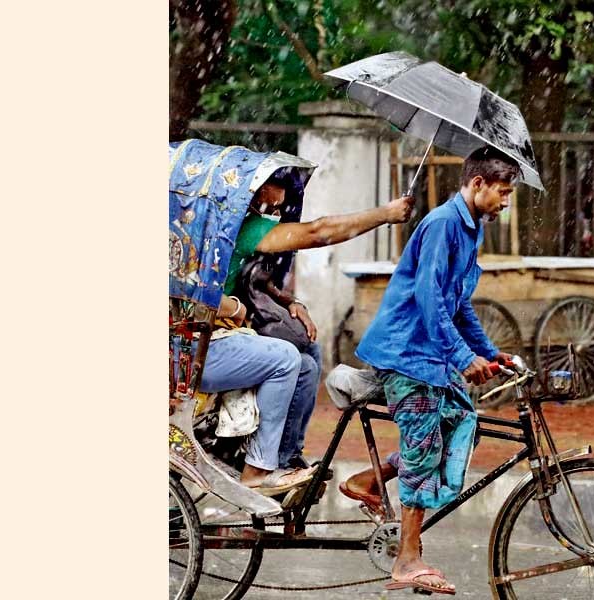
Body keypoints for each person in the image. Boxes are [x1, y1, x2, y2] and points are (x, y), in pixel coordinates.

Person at [339, 147, 518, 594]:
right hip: (406, 354)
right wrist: (463, 357)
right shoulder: (442, 225)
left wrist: (489, 353)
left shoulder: (471, 229)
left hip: (429, 355)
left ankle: (369, 479)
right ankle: (406, 560)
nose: (506, 201)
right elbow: (429, 298)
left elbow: (458, 305)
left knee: (461, 421)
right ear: (477, 184)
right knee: (422, 445)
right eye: (502, 191)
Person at [200, 172, 414, 495]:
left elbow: (252, 279)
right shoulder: (241, 225)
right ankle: (257, 470)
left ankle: (285, 458)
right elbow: (318, 232)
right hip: (196, 348)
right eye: (271, 198)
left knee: (308, 358)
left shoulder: (239, 224)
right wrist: (384, 214)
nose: (275, 208)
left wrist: (289, 301)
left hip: (220, 336)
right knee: (286, 358)